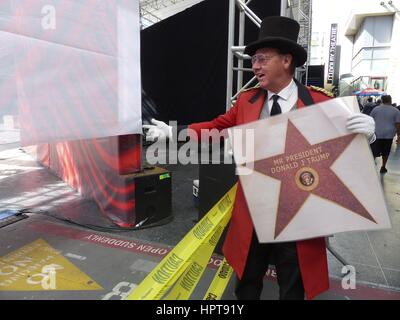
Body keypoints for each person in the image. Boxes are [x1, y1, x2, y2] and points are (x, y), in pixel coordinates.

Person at [144, 16, 376, 300]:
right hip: (255, 209)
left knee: (293, 283)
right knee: (247, 278)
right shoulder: (247, 100)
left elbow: (348, 149)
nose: (254, 66)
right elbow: (218, 126)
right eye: (254, 59)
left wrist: (369, 135)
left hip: (299, 211)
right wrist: (175, 131)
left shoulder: (320, 102)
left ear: (286, 61)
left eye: (262, 59)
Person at [370, 95, 400, 173]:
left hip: (376, 133)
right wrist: (399, 135)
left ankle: (371, 166)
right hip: (389, 135)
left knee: (374, 151)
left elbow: (370, 120)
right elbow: (397, 124)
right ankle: (383, 167)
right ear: (390, 100)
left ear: (382, 100)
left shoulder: (376, 109)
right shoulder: (395, 111)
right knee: (386, 152)